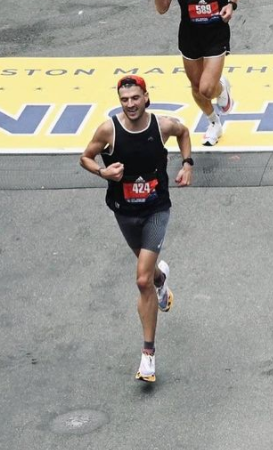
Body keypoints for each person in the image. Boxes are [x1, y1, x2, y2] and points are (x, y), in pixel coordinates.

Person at [80, 75, 193, 383]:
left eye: (135, 98)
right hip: (125, 212)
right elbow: (85, 157)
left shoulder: (162, 126)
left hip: (157, 209)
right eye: (124, 99)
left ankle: (148, 356)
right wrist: (104, 172)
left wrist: (187, 164)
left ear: (146, 98)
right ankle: (162, 280)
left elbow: (184, 133)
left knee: (141, 279)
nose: (130, 104)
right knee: (150, 276)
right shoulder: (109, 129)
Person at [155, 0, 245, 147]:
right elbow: (162, 8)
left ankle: (221, 87)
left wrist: (231, 4)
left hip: (215, 32)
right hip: (189, 35)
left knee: (207, 88)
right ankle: (214, 122)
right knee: (197, 89)